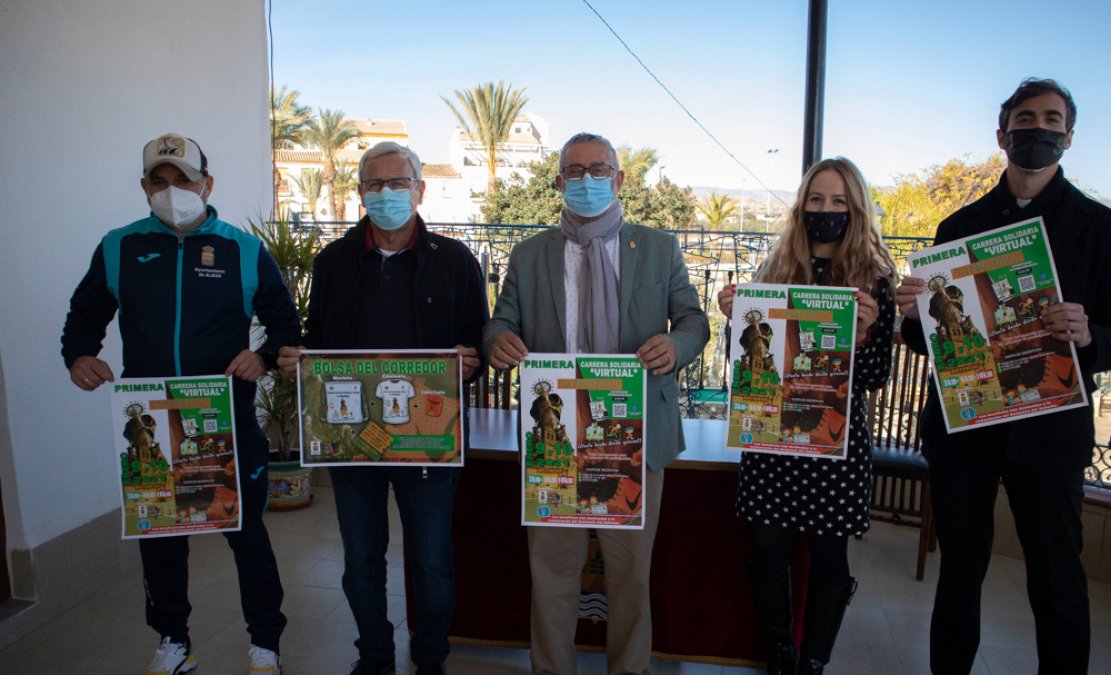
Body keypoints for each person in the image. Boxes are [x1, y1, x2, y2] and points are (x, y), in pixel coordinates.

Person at [896, 79, 1111, 674]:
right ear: (1002, 134)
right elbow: (933, 342)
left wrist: (1088, 335)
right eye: (1026, 119)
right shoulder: (960, 226)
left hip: (1051, 431)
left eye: (1052, 119)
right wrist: (912, 316)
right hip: (968, 429)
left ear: (1069, 136)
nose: (1039, 129)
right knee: (959, 575)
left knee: (1057, 578)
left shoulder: (1100, 227)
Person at [61, 134, 299, 675]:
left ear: (207, 184)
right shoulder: (120, 247)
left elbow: (285, 324)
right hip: (152, 421)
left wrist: (260, 356)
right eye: (159, 182)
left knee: (246, 536)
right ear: (144, 187)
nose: (173, 191)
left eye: (184, 180)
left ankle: (266, 642)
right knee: (161, 537)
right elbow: (85, 314)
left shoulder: (242, 249)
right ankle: (173, 640)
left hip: (225, 418)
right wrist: (79, 356)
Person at [483, 132, 710, 675]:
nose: (587, 180)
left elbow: (696, 321)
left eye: (598, 169)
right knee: (552, 573)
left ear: (619, 178)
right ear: (559, 182)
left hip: (633, 437)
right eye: (575, 171)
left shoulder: (658, 247)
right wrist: (497, 342)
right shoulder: (529, 253)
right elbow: (500, 320)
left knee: (630, 576)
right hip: (554, 442)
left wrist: (675, 346)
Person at [278, 141, 489, 675]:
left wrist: (472, 361)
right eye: (376, 184)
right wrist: (300, 358)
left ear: (420, 190)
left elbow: (478, 343)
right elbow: (318, 339)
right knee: (361, 563)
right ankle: (374, 654)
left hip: (428, 438)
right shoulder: (332, 262)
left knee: (433, 562)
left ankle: (431, 657)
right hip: (353, 441)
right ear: (360, 193)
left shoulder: (456, 261)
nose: (387, 193)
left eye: (399, 183)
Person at [716, 157, 897, 675]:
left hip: (833, 442)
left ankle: (814, 661)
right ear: (802, 207)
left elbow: (875, 376)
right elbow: (748, 371)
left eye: (839, 202)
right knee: (768, 552)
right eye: (816, 199)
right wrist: (735, 318)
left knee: (830, 557)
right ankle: (780, 653)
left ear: (856, 209)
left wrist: (861, 336)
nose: (826, 210)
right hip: (773, 436)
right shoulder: (773, 273)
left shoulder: (876, 281)